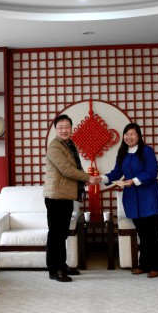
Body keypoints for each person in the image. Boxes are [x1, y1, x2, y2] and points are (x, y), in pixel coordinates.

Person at [102, 123, 158, 278]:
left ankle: (157, 266)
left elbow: (152, 172)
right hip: (132, 199)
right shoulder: (122, 152)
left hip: (148, 197)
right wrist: (101, 178)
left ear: (139, 136)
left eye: (132, 134)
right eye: (126, 134)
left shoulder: (147, 150)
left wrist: (134, 181)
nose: (128, 137)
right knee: (142, 233)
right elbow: (116, 173)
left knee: (152, 233)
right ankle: (144, 265)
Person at [44, 114, 100, 282]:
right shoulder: (55, 146)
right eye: (60, 127)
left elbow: (76, 167)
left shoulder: (69, 144)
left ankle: (61, 265)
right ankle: (54, 270)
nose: (64, 130)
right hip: (56, 196)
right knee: (56, 234)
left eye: (67, 127)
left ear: (71, 128)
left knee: (62, 233)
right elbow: (66, 169)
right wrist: (87, 178)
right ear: (55, 129)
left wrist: (85, 179)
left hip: (66, 195)